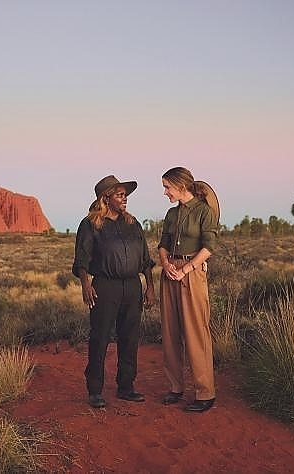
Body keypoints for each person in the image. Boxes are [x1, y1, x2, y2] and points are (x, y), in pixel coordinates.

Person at [72, 175, 155, 409]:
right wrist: (86, 285)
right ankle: (95, 390)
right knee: (100, 338)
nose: (124, 199)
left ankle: (126, 387)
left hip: (132, 287)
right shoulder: (90, 224)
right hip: (104, 287)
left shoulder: (132, 223)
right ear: (106, 198)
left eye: (125, 195)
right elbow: (81, 260)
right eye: (119, 195)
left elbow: (146, 259)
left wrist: (150, 286)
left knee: (129, 337)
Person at [158, 167, 220, 413]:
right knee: (170, 331)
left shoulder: (204, 212)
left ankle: (205, 393)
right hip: (169, 271)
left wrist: (186, 269)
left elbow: (209, 246)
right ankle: (175, 387)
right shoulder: (172, 214)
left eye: (167, 187)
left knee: (196, 331)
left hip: (192, 273)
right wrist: (166, 264)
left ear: (181, 186)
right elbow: (163, 243)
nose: (165, 192)